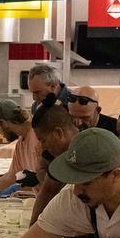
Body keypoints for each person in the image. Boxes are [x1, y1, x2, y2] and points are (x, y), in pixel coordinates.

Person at [27, 96, 80, 226]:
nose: (43, 147)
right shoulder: (60, 158)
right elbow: (48, 190)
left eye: (43, 140)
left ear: (58, 133)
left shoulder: (89, 149)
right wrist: (32, 229)